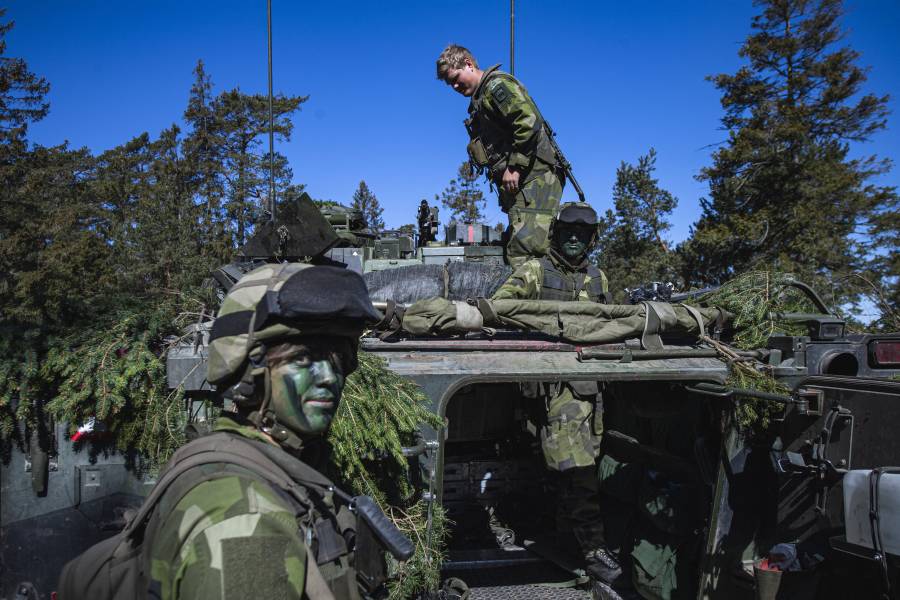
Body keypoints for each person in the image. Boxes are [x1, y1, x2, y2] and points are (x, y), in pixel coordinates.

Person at [60, 262, 386, 600]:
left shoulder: (273, 468)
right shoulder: (244, 524)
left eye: (337, 359)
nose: (329, 377)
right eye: (303, 358)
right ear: (252, 372)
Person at [492, 202, 622, 588]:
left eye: (582, 233)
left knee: (581, 467)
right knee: (577, 469)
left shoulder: (599, 278)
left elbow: (613, 322)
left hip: (592, 387)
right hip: (553, 387)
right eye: (567, 230)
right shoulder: (534, 271)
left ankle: (566, 536)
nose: (573, 238)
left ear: (592, 239)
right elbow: (499, 309)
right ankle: (593, 548)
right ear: (555, 233)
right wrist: (552, 325)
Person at [436, 44, 568, 269]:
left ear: (469, 64)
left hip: (536, 177)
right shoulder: (480, 100)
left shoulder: (496, 86)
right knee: (515, 251)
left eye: (456, 78)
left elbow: (528, 122)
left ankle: (533, 305)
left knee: (526, 257)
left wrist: (514, 167)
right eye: (451, 84)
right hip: (525, 184)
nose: (455, 86)